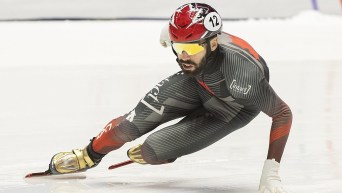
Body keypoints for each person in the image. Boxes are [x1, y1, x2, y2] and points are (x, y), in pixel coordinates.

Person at [48, 3, 292, 193]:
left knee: (150, 152)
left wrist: (271, 171)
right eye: (177, 47)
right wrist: (182, 44)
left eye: (193, 49)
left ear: (214, 43)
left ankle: (169, 148)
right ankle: (87, 156)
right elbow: (183, 41)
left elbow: (282, 114)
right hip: (197, 82)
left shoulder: (242, 75)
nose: (184, 55)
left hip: (231, 108)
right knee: (127, 127)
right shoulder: (181, 38)